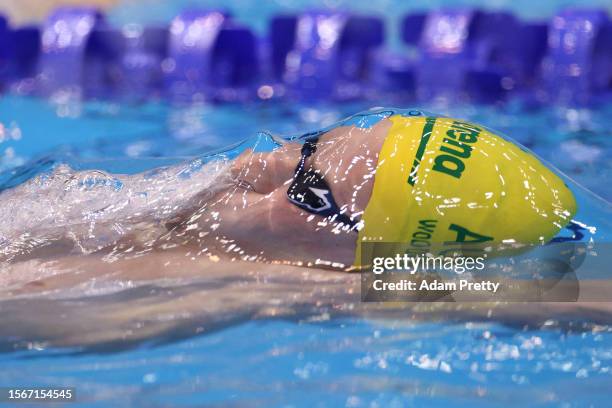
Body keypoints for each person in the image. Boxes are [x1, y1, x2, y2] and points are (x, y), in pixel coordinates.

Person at [0, 108, 581, 271]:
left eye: (305, 189)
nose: (254, 160)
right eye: (305, 144)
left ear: (351, 252)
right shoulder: (141, 206)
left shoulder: (234, 287)